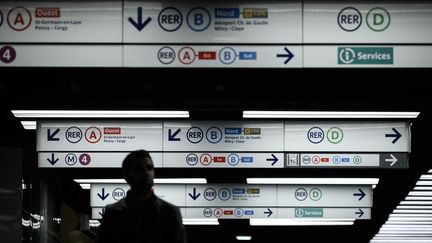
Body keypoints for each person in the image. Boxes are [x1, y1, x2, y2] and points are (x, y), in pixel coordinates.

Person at [96, 150, 187, 243]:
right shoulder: (112, 214)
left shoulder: (170, 213)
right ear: (127, 176)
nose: (146, 173)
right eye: (139, 169)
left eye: (149, 168)